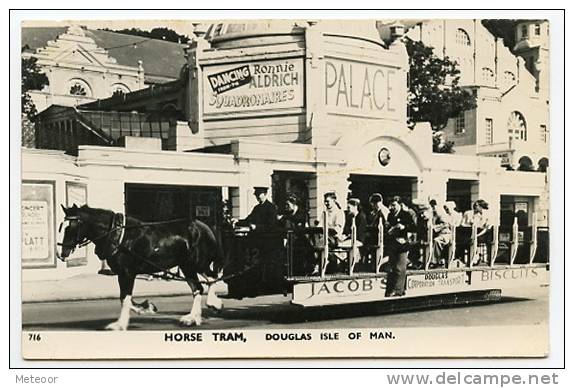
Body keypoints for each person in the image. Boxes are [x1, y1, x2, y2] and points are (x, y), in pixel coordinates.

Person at [385, 196, 416, 297]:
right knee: (392, 267)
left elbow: (413, 227)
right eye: (390, 205)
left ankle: (398, 290)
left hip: (402, 244)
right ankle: (392, 289)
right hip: (392, 244)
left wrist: (403, 227)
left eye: (393, 205)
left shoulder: (406, 215)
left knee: (400, 268)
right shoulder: (390, 215)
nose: (391, 207)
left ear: (399, 204)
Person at [461, 199, 492, 265]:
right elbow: (462, 223)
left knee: (474, 241)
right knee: (464, 242)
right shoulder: (468, 213)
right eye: (474, 205)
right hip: (468, 232)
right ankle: (469, 258)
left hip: (482, 234)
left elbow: (487, 228)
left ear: (481, 206)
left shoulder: (487, 215)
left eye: (476, 205)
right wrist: (468, 225)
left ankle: (475, 257)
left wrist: (477, 235)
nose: (474, 206)